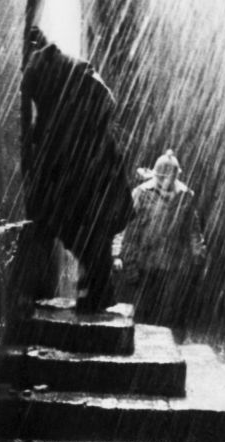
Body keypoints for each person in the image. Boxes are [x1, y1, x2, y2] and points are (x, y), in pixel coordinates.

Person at [20, 29, 133, 312]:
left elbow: (103, 102)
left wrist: (71, 134)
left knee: (85, 229)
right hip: (86, 170)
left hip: (88, 170)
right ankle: (98, 286)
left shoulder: (63, 69)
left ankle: (99, 287)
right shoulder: (60, 70)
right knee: (85, 229)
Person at [113, 149, 207, 342]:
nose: (167, 181)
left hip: (173, 265)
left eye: (171, 176)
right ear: (157, 175)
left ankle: (172, 350)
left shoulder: (184, 196)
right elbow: (125, 227)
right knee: (144, 314)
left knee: (171, 316)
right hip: (144, 264)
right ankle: (143, 350)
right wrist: (118, 255)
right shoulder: (141, 193)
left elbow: (193, 230)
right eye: (163, 176)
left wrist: (198, 253)